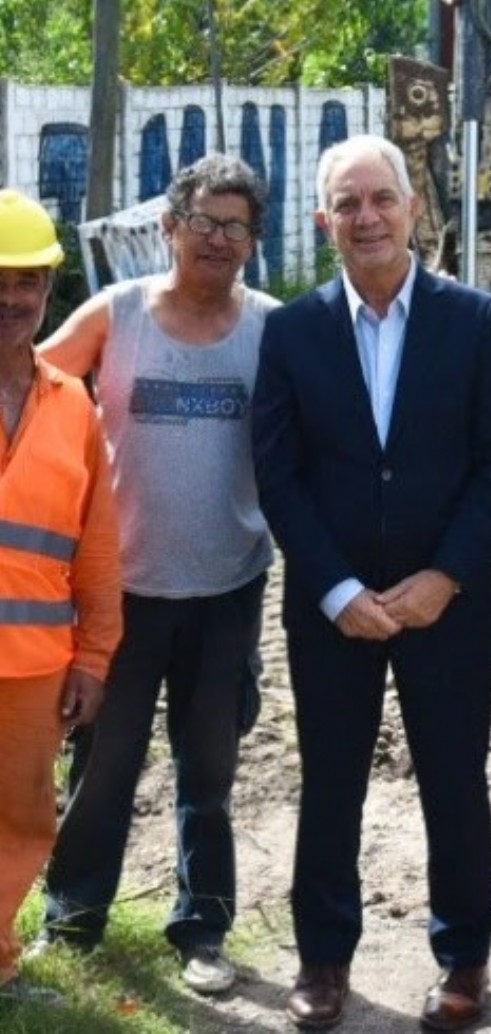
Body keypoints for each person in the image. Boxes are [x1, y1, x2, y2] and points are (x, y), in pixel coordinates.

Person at [251, 134, 491, 1031]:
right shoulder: (290, 331)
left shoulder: (476, 319)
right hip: (333, 610)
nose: (366, 216)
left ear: (413, 209)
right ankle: (324, 961)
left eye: (382, 198)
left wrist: (445, 576)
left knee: (454, 778)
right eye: (347, 203)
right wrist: (334, 591)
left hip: (447, 602)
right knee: (329, 782)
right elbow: (277, 474)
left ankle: (464, 960)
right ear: (325, 219)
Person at [30, 154, 280, 995]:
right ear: (168, 228)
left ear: (253, 239)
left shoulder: (272, 330)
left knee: (208, 769)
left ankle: (201, 928)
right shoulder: (119, 314)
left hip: (228, 587)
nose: (217, 237)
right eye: (202, 220)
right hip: (121, 591)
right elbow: (31, 385)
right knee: (102, 764)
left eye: (235, 224)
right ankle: (73, 919)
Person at [0, 190, 121, 999]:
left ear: (49, 289)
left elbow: (98, 545)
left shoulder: (71, 403)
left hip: (35, 664)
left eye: (27, 283)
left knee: (22, 823)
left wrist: (96, 656)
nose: (10, 300)